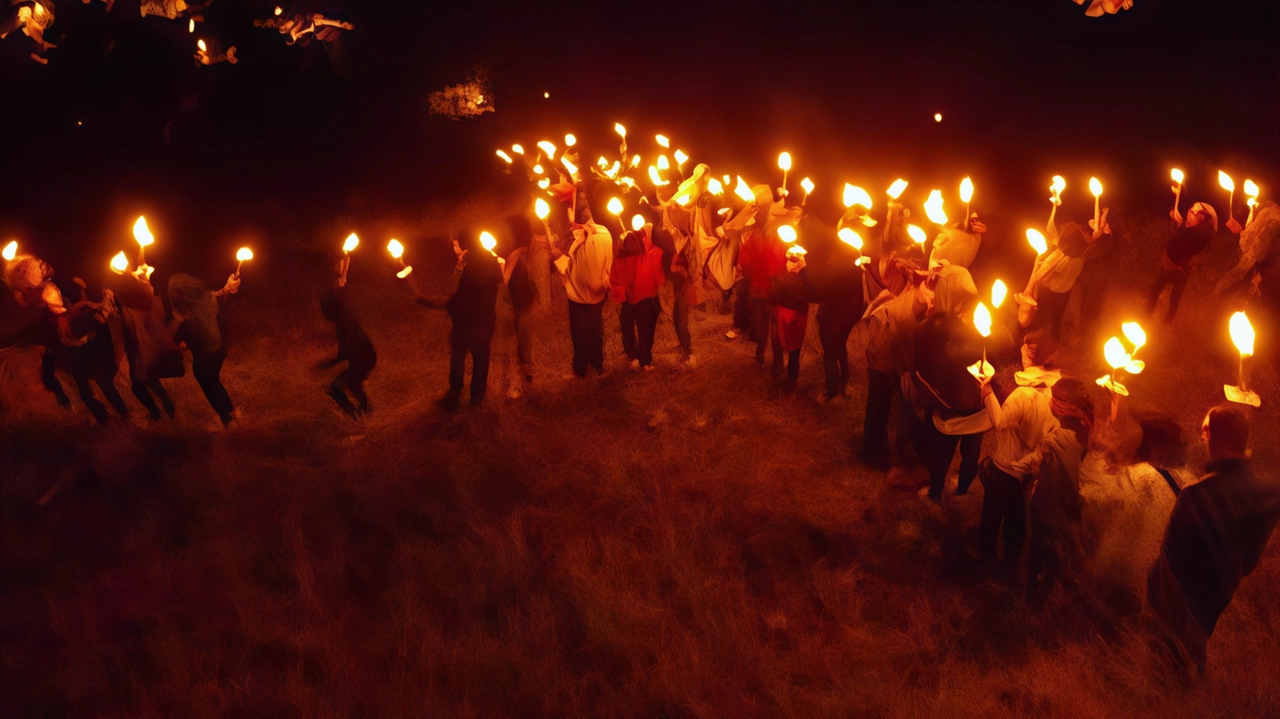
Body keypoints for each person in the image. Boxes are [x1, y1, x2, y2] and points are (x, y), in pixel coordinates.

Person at [1146, 406, 1280, 675]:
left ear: (1207, 434)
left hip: (1184, 605)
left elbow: (1170, 566)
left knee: (1175, 668)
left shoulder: (1195, 496)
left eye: (1204, 426)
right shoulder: (1268, 494)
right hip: (1220, 593)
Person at [1014, 378, 1094, 609]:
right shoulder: (1086, 430)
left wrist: (1010, 468)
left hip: (1047, 505)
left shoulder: (1054, 440)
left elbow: (1032, 466)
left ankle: (1038, 594)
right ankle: (1057, 583)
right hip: (1069, 501)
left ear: (1057, 408)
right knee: (1065, 542)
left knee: (1042, 548)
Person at [913, 264, 986, 501]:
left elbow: (930, 360)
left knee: (942, 454)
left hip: (954, 410)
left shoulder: (952, 339)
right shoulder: (987, 338)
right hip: (978, 408)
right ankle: (962, 490)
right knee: (971, 453)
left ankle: (936, 493)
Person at [404, 234, 502, 411]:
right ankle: (477, 397)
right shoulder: (492, 265)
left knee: (458, 357)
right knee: (481, 358)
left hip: (465, 324)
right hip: (485, 323)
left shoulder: (468, 270)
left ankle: (454, 393)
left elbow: (453, 294)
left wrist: (458, 267)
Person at [977, 373, 1059, 565]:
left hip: (1005, 471)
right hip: (1016, 474)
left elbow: (998, 421)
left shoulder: (1022, 395)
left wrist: (986, 391)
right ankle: (1004, 562)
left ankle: (995, 561)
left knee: (998, 519)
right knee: (1013, 522)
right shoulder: (1046, 398)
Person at [106, 262, 180, 421]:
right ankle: (164, 407)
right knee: (148, 378)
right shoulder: (137, 300)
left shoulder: (137, 302)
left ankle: (158, 412)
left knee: (139, 382)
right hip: (138, 347)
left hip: (139, 347)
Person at [167, 272, 241, 428]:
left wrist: (177, 323)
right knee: (214, 382)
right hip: (219, 349)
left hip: (205, 356)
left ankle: (228, 419)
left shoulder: (183, 314)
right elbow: (218, 295)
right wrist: (228, 288)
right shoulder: (206, 299)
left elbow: (167, 341)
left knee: (210, 384)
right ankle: (230, 414)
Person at [811, 224, 867, 402]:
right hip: (851, 314)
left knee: (830, 355)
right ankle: (844, 381)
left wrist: (803, 271)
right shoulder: (859, 263)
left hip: (834, 316)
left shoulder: (834, 265)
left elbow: (817, 293)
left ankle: (832, 392)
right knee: (841, 346)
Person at [553, 212, 613, 378]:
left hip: (580, 295)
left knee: (582, 331)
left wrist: (558, 256)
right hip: (599, 293)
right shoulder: (605, 233)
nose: (572, 227)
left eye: (574, 223)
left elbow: (578, 267)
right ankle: (595, 364)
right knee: (594, 329)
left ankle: (583, 368)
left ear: (581, 223)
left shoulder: (591, 240)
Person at [317, 266, 377, 419]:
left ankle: (354, 414)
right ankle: (365, 411)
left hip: (364, 359)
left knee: (336, 386)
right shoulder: (341, 322)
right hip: (364, 359)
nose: (324, 312)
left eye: (326, 308)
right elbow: (343, 354)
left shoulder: (345, 321)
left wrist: (325, 364)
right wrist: (325, 364)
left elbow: (345, 351)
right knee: (352, 385)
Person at [1147, 201, 1218, 323]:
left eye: (1193, 212)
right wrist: (1177, 219)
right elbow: (1186, 227)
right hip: (1169, 263)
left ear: (1201, 217)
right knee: (1157, 289)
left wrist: (1182, 223)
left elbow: (1188, 234)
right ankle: (1149, 313)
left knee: (1173, 296)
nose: (1190, 212)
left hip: (1178, 268)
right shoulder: (1192, 227)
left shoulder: (1202, 233)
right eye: (1191, 209)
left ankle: (1165, 321)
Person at [611, 213, 665, 371]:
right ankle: (633, 355)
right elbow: (620, 270)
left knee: (645, 326)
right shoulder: (626, 244)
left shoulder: (650, 238)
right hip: (631, 293)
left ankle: (644, 359)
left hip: (646, 293)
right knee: (627, 323)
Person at [500, 214, 538, 398]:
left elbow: (523, 247)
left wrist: (507, 270)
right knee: (506, 339)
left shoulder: (516, 219)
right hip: (501, 298)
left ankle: (525, 367)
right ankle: (512, 380)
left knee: (523, 333)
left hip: (520, 292)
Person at [770, 245, 810, 392]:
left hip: (792, 316)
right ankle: (781, 370)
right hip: (785, 314)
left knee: (792, 349)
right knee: (781, 343)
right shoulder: (783, 274)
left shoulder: (803, 277)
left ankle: (790, 383)